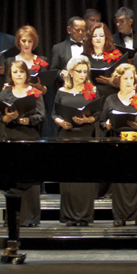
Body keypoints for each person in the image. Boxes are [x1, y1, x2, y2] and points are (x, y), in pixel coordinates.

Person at [100, 64, 137, 227]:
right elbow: (101, 121)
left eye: (131, 78)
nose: (129, 82)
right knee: (120, 181)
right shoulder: (111, 99)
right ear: (118, 80)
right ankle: (119, 216)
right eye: (125, 78)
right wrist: (106, 125)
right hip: (118, 145)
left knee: (136, 181)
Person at [0, 60, 46, 227]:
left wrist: (27, 120)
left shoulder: (35, 92)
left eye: (21, 72)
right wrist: (7, 117)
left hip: (30, 138)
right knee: (13, 181)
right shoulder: (5, 94)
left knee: (30, 180)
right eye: (15, 72)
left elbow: (41, 115)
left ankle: (31, 218)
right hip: (11, 138)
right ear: (10, 75)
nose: (18, 75)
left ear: (27, 74)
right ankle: (12, 219)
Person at [53, 57, 99, 227]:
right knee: (69, 179)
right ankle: (69, 217)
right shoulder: (62, 91)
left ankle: (84, 216)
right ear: (71, 72)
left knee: (85, 178)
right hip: (67, 137)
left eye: (85, 71)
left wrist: (87, 120)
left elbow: (99, 114)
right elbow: (53, 113)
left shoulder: (92, 90)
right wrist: (60, 122)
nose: (82, 74)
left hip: (85, 136)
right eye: (79, 71)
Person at [83, 22, 123, 99]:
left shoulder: (117, 55)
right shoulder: (83, 57)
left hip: (113, 97)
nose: (98, 38)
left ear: (106, 37)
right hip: (91, 97)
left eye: (101, 36)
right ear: (90, 38)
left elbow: (126, 78)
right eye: (94, 36)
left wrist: (113, 82)